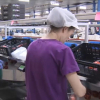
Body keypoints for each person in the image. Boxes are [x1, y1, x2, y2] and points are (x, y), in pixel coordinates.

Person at [25, 7, 86, 100]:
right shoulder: (63, 50)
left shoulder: (32, 46)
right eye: (70, 34)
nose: (68, 38)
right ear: (64, 29)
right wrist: (86, 89)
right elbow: (79, 92)